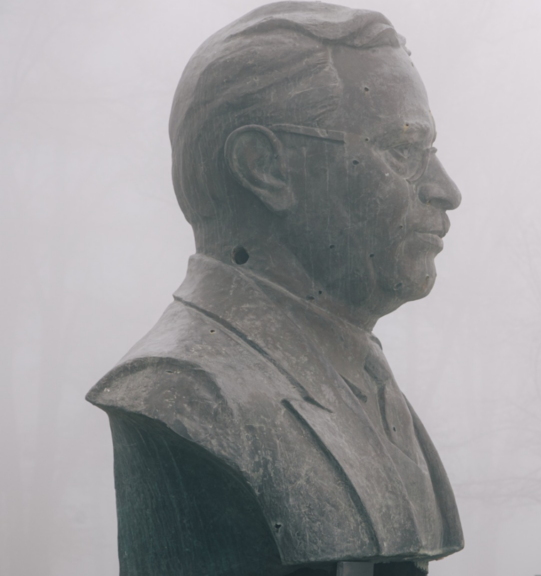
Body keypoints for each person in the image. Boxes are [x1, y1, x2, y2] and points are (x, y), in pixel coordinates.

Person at [85, 3, 463, 575]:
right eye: (403, 150)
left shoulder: (366, 377)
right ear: (266, 168)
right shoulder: (186, 393)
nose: (444, 190)